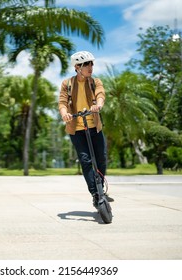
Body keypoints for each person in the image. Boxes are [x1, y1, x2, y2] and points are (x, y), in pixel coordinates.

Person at [58, 51, 113, 207]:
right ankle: (95, 193)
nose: (91, 67)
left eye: (91, 63)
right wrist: (65, 114)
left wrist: (98, 105)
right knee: (85, 160)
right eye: (86, 64)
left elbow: (100, 94)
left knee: (101, 157)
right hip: (77, 129)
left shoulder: (95, 82)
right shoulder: (67, 84)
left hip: (94, 126)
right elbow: (62, 102)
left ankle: (100, 188)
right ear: (77, 67)